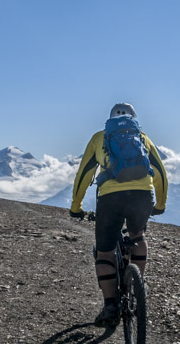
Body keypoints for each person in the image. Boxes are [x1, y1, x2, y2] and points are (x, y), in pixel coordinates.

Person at [70, 102, 168, 327]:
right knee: (138, 235)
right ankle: (138, 285)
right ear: (134, 118)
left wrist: (76, 207)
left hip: (110, 198)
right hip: (143, 195)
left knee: (104, 252)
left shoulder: (99, 138)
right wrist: (160, 205)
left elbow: (84, 174)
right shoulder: (142, 138)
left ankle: (110, 306)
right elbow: (161, 173)